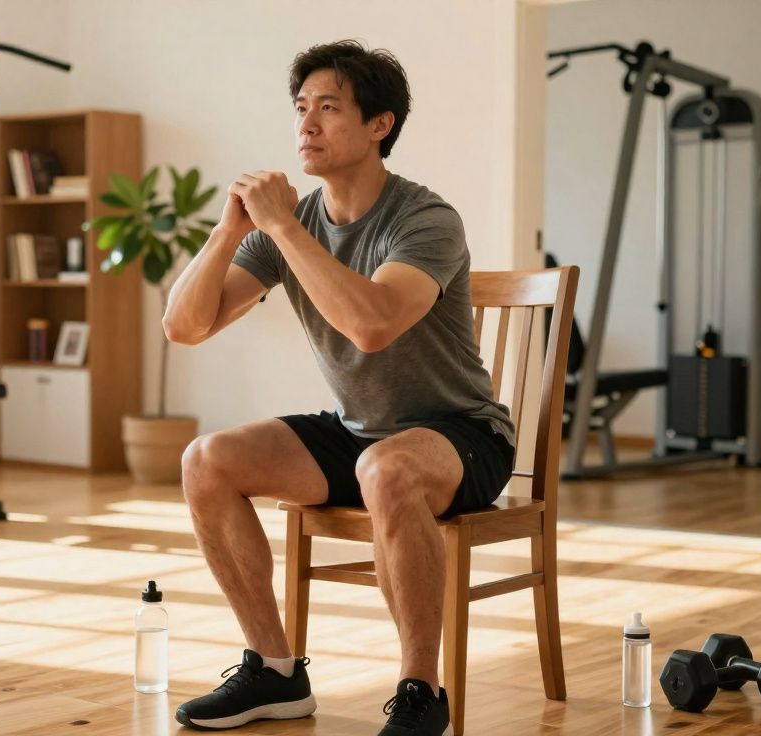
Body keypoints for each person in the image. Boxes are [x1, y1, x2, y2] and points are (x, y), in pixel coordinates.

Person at [162, 39, 515, 736]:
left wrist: (282, 226)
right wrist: (229, 232)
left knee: (387, 468)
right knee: (207, 460)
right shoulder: (289, 228)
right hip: (358, 433)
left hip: (463, 435)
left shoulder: (425, 220)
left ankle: (421, 692)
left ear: (380, 124)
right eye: (301, 108)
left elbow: (372, 326)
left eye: (328, 108)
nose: (307, 125)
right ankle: (274, 672)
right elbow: (184, 326)